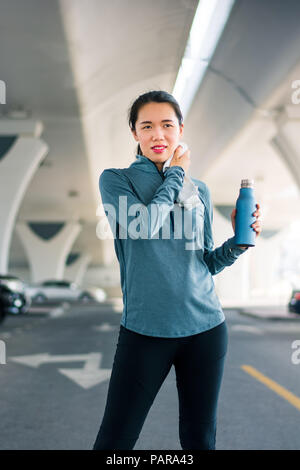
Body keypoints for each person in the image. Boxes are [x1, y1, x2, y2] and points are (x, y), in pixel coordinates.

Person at [92, 90, 262, 450]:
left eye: (167, 125)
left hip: (206, 329)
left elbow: (205, 262)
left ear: (180, 129)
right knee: (115, 441)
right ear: (135, 133)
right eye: (147, 126)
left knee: (200, 439)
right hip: (145, 331)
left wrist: (238, 244)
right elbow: (145, 226)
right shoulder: (116, 180)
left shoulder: (198, 190)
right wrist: (177, 173)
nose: (159, 135)